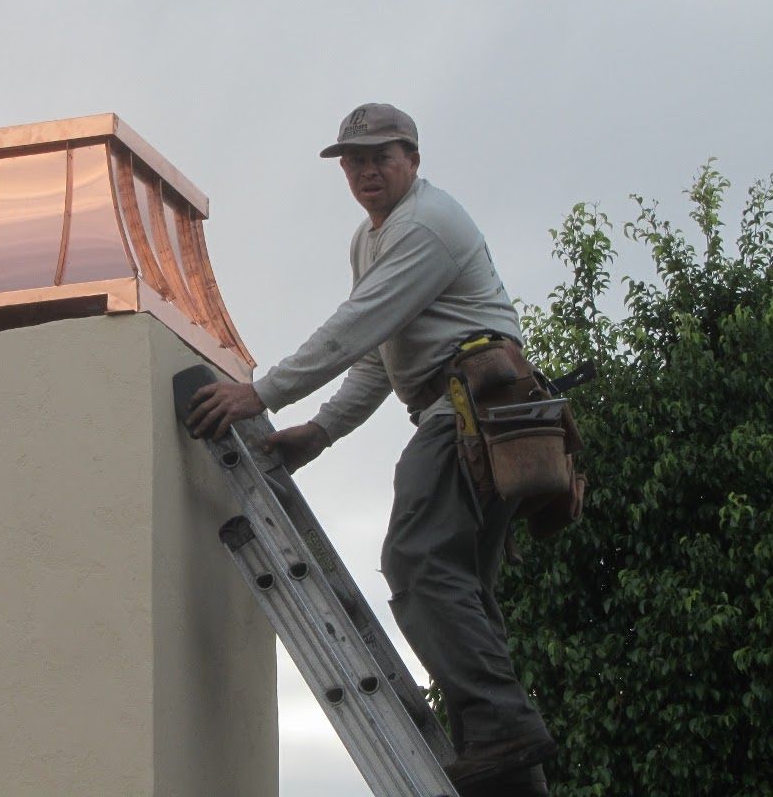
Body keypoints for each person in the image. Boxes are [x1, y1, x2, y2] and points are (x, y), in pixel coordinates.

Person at [186, 103, 556, 791]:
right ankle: (506, 770)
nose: (365, 171)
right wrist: (322, 432)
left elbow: (355, 327)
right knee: (459, 589)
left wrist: (262, 395)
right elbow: (380, 355)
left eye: (380, 157)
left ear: (412, 159)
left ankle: (502, 730)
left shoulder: (426, 225)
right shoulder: (371, 239)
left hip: (473, 410)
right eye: (353, 161)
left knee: (416, 562)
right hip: (463, 413)